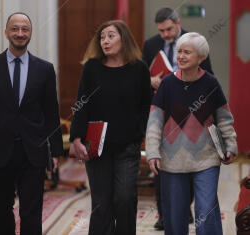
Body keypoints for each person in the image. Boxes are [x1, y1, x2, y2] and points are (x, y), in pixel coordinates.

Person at [0, 12, 63, 235]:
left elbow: (51, 113)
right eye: (15, 29)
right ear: (6, 32)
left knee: (32, 210)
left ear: (30, 33)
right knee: (2, 209)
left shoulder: (45, 69)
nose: (20, 33)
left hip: (34, 151)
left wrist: (56, 152)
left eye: (25, 29)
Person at [146, 32, 237, 235]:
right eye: (179, 51)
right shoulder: (168, 84)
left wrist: (230, 145)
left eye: (187, 52)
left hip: (206, 158)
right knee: (175, 215)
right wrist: (152, 151)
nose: (181, 56)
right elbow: (155, 121)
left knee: (206, 210)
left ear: (201, 58)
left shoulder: (210, 83)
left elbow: (224, 118)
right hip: (172, 159)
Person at [69, 20, 153, 235]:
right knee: (101, 201)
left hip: (127, 145)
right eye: (102, 37)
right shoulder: (92, 68)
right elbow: (82, 103)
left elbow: (146, 104)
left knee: (125, 198)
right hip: (96, 145)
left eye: (111, 36)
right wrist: (76, 138)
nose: (105, 41)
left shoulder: (139, 69)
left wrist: (139, 130)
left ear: (124, 38)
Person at [142, 7, 214, 229]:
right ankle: (164, 214)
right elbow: (142, 75)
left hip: (191, 112)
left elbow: (208, 76)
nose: (166, 34)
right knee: (163, 163)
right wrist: (150, 80)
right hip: (163, 110)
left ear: (178, 23)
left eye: (169, 29)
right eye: (161, 30)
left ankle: (184, 207)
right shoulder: (151, 44)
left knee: (190, 161)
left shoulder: (195, 41)